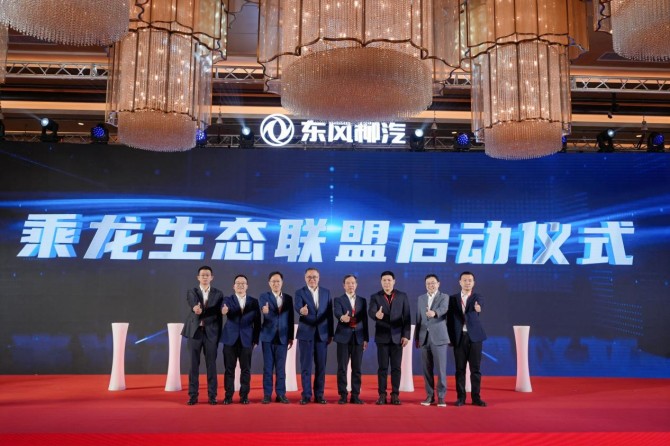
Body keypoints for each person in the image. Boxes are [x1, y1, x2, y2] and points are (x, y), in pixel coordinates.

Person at [181, 265, 224, 406]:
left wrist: (222, 312)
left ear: (212, 277)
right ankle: (193, 396)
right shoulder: (192, 291)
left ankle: (212, 396)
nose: (205, 277)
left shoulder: (218, 294)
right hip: (195, 332)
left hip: (211, 333)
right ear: (198, 277)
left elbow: (218, 313)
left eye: (207, 275)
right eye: (202, 275)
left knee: (211, 365)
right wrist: (195, 308)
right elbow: (192, 302)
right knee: (193, 365)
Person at [368, 270, 411, 405]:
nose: (386, 282)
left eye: (389, 280)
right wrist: (376, 315)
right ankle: (382, 395)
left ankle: (395, 395)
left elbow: (407, 317)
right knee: (382, 368)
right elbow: (371, 311)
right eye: (384, 280)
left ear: (394, 281)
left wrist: (406, 335)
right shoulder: (375, 296)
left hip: (398, 338)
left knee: (396, 368)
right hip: (382, 337)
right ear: (381, 282)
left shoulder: (402, 296)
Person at [447, 271, 487, 407]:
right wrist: (450, 338)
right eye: (465, 280)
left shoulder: (477, 297)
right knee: (460, 369)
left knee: (475, 369)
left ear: (473, 283)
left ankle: (476, 398)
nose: (467, 282)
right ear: (460, 282)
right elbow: (450, 320)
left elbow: (479, 305)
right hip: (459, 338)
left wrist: (478, 307)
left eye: (470, 280)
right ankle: (461, 398)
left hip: (475, 338)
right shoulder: (453, 299)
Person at [294, 267, 333, 405]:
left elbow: (329, 314)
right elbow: (297, 306)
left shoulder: (326, 292)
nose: (312, 279)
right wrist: (301, 310)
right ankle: (306, 395)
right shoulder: (300, 292)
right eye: (309, 277)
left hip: (322, 335)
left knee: (321, 367)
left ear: (319, 278)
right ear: (305, 278)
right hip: (306, 334)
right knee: (306, 367)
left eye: (314, 277)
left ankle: (319, 395)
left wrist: (330, 333)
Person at [220, 274, 261, 405]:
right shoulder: (227, 300)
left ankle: (244, 396)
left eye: (243, 283)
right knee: (229, 369)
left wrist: (255, 340)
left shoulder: (254, 302)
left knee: (246, 369)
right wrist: (224, 311)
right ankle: (228, 396)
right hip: (230, 340)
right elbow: (223, 309)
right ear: (234, 286)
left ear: (247, 286)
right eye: (238, 283)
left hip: (247, 340)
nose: (240, 285)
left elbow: (257, 323)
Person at [259, 271, 294, 404]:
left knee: (281, 368)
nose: (276, 283)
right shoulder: (264, 296)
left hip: (283, 338)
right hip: (268, 337)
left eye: (278, 281)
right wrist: (264, 311)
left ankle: (281, 394)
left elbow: (290, 319)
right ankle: (267, 395)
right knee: (268, 368)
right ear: (269, 283)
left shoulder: (288, 298)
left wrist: (290, 337)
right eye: (273, 281)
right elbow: (263, 308)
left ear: (282, 283)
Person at [414, 274, 450, 407]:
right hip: (424, 338)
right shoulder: (421, 298)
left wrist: (434, 313)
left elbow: (444, 309)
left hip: (439, 337)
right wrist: (417, 337)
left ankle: (441, 397)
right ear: (425, 285)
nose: (431, 285)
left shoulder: (444, 297)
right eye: (428, 283)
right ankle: (429, 396)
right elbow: (418, 318)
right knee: (426, 369)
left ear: (438, 284)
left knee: (441, 369)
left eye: (433, 283)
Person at [333, 274, 369, 405]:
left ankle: (355, 395)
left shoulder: (362, 300)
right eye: (348, 283)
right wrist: (342, 317)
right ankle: (343, 395)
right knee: (342, 368)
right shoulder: (338, 300)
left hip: (358, 338)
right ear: (344, 285)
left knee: (357, 368)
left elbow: (365, 320)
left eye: (353, 283)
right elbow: (337, 312)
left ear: (356, 285)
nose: (351, 285)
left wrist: (365, 338)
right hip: (343, 337)